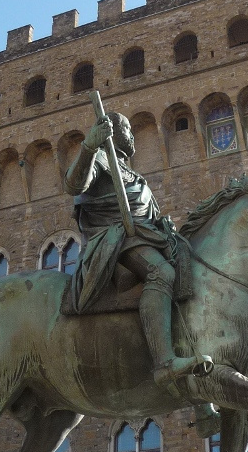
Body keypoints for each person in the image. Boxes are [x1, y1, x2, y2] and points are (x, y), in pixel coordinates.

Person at [65, 111, 213, 390]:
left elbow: (149, 215)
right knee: (162, 273)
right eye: (127, 129)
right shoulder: (100, 160)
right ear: (113, 132)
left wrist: (163, 225)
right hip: (116, 239)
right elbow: (74, 184)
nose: (132, 135)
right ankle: (164, 363)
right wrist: (89, 147)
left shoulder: (133, 175)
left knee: (188, 269)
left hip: (144, 237)